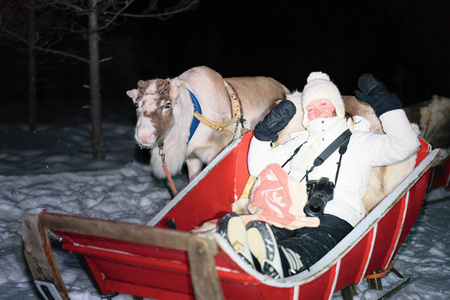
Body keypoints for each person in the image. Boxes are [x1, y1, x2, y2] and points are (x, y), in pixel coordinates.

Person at [217, 72, 420, 278]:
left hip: (335, 217)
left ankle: (286, 260)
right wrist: (263, 135)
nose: (317, 112)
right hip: (292, 212)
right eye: (311, 108)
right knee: (265, 231)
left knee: (315, 239)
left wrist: (386, 106)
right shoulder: (299, 142)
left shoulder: (360, 140)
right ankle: (244, 253)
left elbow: (406, 145)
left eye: (323, 104)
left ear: (336, 107)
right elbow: (259, 167)